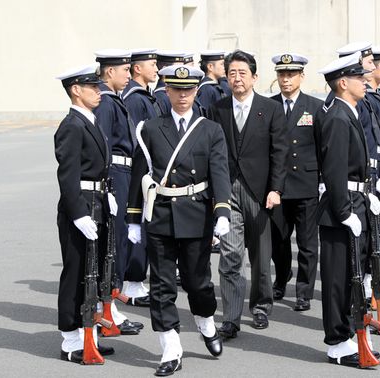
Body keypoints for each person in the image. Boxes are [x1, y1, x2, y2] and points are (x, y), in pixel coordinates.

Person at [126, 64, 232, 376]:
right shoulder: (150, 128)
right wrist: (133, 219)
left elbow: (219, 172)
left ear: (196, 91)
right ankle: (170, 347)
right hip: (160, 214)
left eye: (188, 90)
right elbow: (139, 174)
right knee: (160, 285)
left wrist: (222, 211)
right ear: (167, 91)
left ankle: (206, 322)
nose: (182, 95)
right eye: (176, 89)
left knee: (197, 282)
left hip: (196, 213)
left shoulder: (210, 129)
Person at [209, 50, 288, 336]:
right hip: (227, 191)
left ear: (254, 77)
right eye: (231, 73)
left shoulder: (270, 109)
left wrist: (276, 189)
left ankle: (260, 307)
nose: (237, 78)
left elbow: (280, 152)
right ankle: (230, 318)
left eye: (242, 73)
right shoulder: (216, 109)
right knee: (230, 255)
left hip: (260, 192)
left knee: (260, 255)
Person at [314, 52, 380, 367]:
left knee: (351, 273)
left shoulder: (345, 110)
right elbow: (335, 170)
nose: (364, 82)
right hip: (342, 208)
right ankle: (338, 344)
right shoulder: (338, 117)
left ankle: (347, 337)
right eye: (358, 78)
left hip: (354, 201)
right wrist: (344, 212)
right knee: (339, 280)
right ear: (343, 83)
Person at [54, 63, 116, 363]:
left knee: (93, 272)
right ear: (76, 90)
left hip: (97, 202)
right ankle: (69, 339)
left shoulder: (89, 121)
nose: (99, 91)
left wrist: (108, 197)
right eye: (92, 87)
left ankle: (85, 333)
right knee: (76, 272)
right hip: (80, 206)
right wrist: (78, 213)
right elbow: (67, 176)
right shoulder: (71, 126)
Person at [94, 49, 143, 335]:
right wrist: (108, 185)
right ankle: (106, 310)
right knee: (114, 243)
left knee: (119, 242)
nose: (129, 74)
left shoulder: (113, 100)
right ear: (109, 71)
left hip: (124, 173)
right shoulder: (106, 102)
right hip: (115, 175)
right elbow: (102, 146)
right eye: (125, 69)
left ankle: (109, 307)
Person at [269, 53, 322, 312]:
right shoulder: (267, 106)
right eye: (282, 74)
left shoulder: (314, 107)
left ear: (301, 76)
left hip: (306, 184)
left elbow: (323, 146)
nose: (286, 79)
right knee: (278, 241)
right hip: (277, 187)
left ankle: (304, 291)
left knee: (307, 243)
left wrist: (323, 181)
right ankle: (280, 279)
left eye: (291, 74)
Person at [121, 48, 160, 308]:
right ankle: (132, 284)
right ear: (138, 69)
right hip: (141, 170)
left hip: (146, 170)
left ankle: (136, 281)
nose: (156, 69)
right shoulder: (135, 99)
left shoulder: (143, 96)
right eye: (152, 64)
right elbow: (138, 139)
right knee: (137, 226)